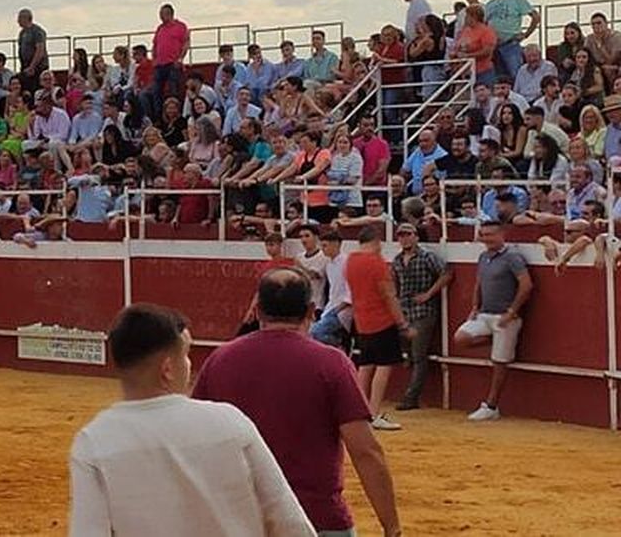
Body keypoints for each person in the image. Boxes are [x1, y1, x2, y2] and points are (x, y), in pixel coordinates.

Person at [70, 303, 314, 537]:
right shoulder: (230, 421)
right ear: (167, 369)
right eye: (185, 354)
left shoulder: (94, 442)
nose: (189, 364)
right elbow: (289, 522)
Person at [193, 268, 402, 537]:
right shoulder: (331, 363)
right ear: (311, 311)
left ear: (257, 311)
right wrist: (391, 527)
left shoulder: (220, 360)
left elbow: (196, 441)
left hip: (240, 518)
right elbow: (366, 451)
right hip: (316, 516)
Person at [453, 223, 534, 421]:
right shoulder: (483, 257)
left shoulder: (513, 257)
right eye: (483, 235)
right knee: (460, 338)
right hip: (485, 314)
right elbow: (479, 283)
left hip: (504, 318)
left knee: (499, 364)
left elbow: (526, 285)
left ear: (501, 235)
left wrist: (512, 311)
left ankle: (491, 405)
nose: (487, 238)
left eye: (490, 234)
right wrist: (474, 306)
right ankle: (494, 341)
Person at [343, 225, 408, 431]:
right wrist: (402, 323)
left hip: (362, 320)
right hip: (382, 321)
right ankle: (374, 413)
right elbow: (389, 295)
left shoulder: (350, 261)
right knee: (383, 366)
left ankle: (361, 412)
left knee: (366, 365)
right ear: (377, 242)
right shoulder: (377, 263)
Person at [391, 222, 450, 411]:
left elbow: (447, 274)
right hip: (405, 311)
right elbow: (394, 283)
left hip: (423, 311)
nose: (404, 238)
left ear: (416, 236)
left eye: (408, 234)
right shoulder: (398, 260)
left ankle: (411, 398)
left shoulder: (427, 257)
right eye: (401, 235)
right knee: (409, 352)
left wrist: (429, 294)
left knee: (418, 356)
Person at [483, 0, 539, 84]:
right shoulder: (489, 5)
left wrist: (526, 34)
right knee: (498, 78)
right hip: (494, 47)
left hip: (511, 44)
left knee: (516, 75)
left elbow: (535, 17)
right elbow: (484, 24)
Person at [16, 8, 49, 94]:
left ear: (26, 18)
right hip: (25, 66)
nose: (18, 21)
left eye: (19, 18)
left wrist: (32, 66)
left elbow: (40, 50)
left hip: (37, 67)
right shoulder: (22, 33)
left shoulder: (37, 31)